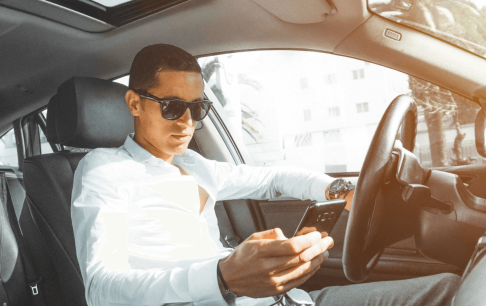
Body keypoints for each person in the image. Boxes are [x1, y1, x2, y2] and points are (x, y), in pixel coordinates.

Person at [70, 44, 459, 306]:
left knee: (447, 289)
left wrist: (341, 189)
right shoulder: (104, 170)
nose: (188, 123)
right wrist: (223, 278)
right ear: (135, 103)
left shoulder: (195, 166)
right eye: (172, 107)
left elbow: (273, 179)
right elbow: (101, 288)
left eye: (198, 108)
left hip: (285, 300)